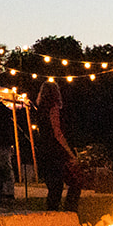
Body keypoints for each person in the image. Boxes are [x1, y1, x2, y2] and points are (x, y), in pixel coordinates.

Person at [33, 80, 80, 212]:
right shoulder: (53, 108)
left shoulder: (40, 110)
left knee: (54, 187)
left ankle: (52, 213)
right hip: (56, 152)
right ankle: (69, 211)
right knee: (74, 182)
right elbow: (57, 132)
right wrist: (70, 153)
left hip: (44, 150)